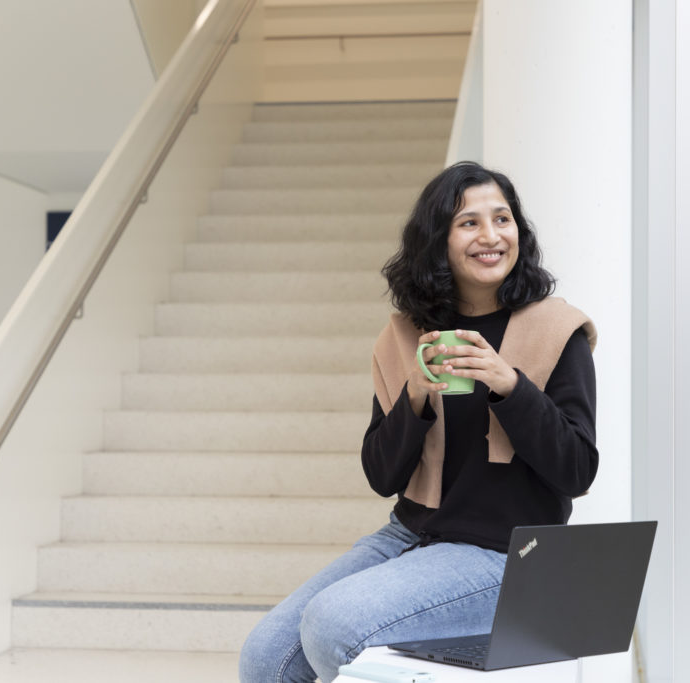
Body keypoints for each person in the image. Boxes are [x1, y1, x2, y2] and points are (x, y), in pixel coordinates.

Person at [238, 161, 598, 683]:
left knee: (333, 625)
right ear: (439, 241)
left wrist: (510, 385)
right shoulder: (408, 337)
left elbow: (578, 471)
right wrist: (415, 399)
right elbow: (382, 476)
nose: (491, 236)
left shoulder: (557, 330)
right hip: (408, 535)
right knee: (265, 658)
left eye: (502, 219)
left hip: (506, 552)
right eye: (469, 223)